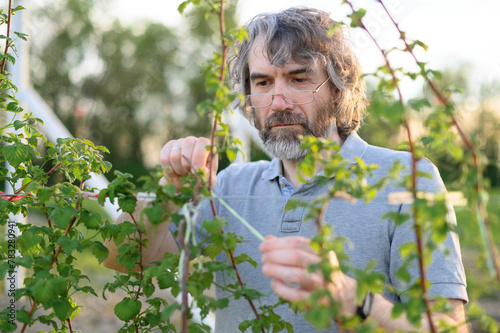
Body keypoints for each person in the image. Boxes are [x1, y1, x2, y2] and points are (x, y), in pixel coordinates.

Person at [104, 7, 468, 332]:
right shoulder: (230, 184)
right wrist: (170, 190)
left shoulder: (408, 178)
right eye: (262, 82)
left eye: (298, 79)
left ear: (339, 89)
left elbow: (449, 328)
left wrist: (355, 300)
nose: (277, 101)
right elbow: (124, 260)